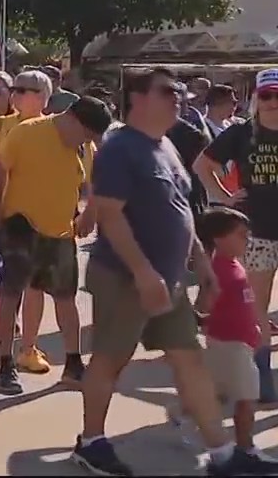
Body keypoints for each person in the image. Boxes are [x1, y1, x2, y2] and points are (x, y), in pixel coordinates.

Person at [73, 67, 265, 476]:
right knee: (110, 360)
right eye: (167, 90)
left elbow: (181, 211)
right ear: (138, 98)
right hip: (125, 277)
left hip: (169, 279)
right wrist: (143, 272)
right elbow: (110, 215)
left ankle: (222, 454)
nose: (178, 95)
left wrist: (202, 264)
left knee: (189, 360)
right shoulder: (120, 146)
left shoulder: (166, 146)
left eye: (179, 90)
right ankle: (91, 442)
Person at [0, 97, 110, 393]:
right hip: (20, 228)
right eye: (87, 134)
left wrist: (89, 213)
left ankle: (73, 363)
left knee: (66, 299)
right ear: (73, 120)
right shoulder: (28, 132)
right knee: (10, 296)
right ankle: (6, 363)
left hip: (60, 234)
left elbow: (98, 181)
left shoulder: (83, 146)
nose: (88, 142)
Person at [167, 207, 278, 467]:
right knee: (247, 398)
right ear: (219, 239)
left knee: (215, 391)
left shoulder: (234, 264)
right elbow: (205, 304)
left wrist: (258, 326)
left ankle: (182, 412)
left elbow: (246, 302)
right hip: (231, 345)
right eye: (241, 235)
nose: (247, 240)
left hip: (234, 343)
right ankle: (245, 447)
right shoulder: (217, 270)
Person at [194, 66, 278, 404]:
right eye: (267, 96)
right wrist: (224, 198)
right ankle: (262, 377)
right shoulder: (242, 133)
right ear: (257, 99)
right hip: (256, 230)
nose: (273, 102)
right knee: (257, 307)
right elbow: (203, 165)